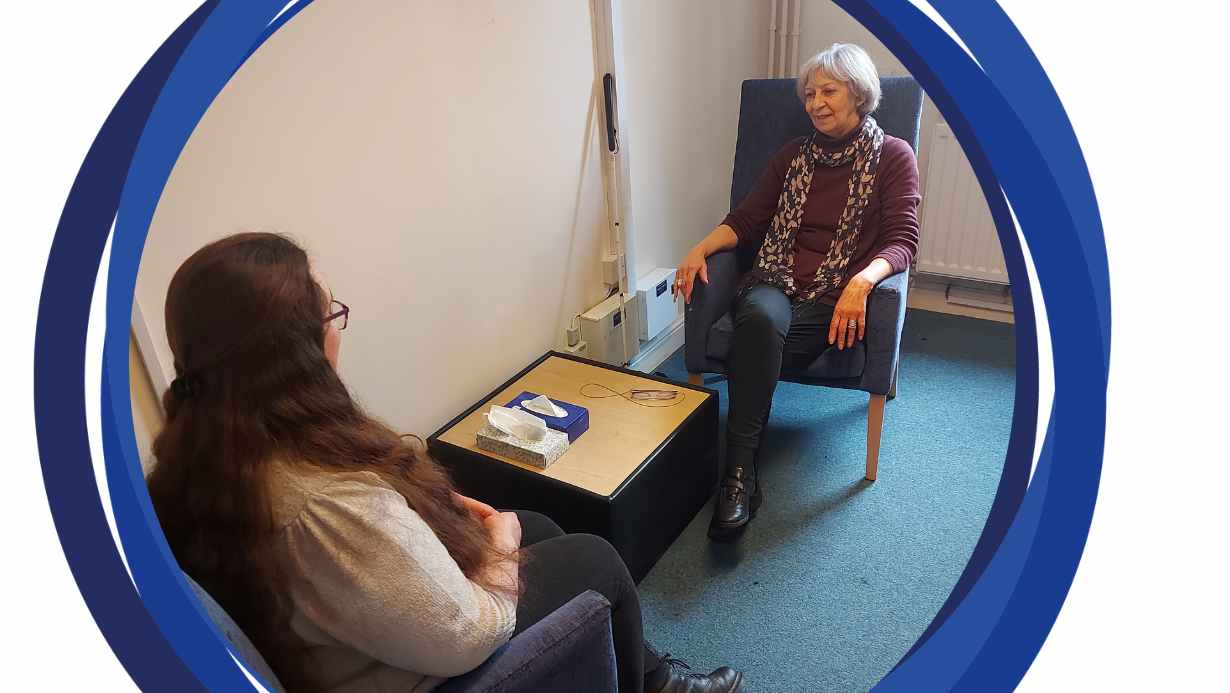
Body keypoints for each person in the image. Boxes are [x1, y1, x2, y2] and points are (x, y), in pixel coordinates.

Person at [146, 232, 742, 693]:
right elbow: (463, 635)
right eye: (332, 315)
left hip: (353, 642)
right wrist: (500, 547)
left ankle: (646, 675)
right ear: (293, 355)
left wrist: (435, 514)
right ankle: (661, 685)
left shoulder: (209, 449)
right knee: (594, 559)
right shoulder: (323, 508)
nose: (339, 328)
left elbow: (366, 539)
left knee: (539, 524)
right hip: (423, 672)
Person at [672, 43, 920, 541]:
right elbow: (747, 220)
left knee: (752, 345)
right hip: (774, 279)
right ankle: (740, 477)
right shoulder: (793, 156)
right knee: (759, 322)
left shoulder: (893, 156)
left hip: (833, 301)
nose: (815, 102)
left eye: (829, 90)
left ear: (860, 93)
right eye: (810, 93)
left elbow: (902, 240)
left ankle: (733, 472)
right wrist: (698, 248)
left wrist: (861, 281)